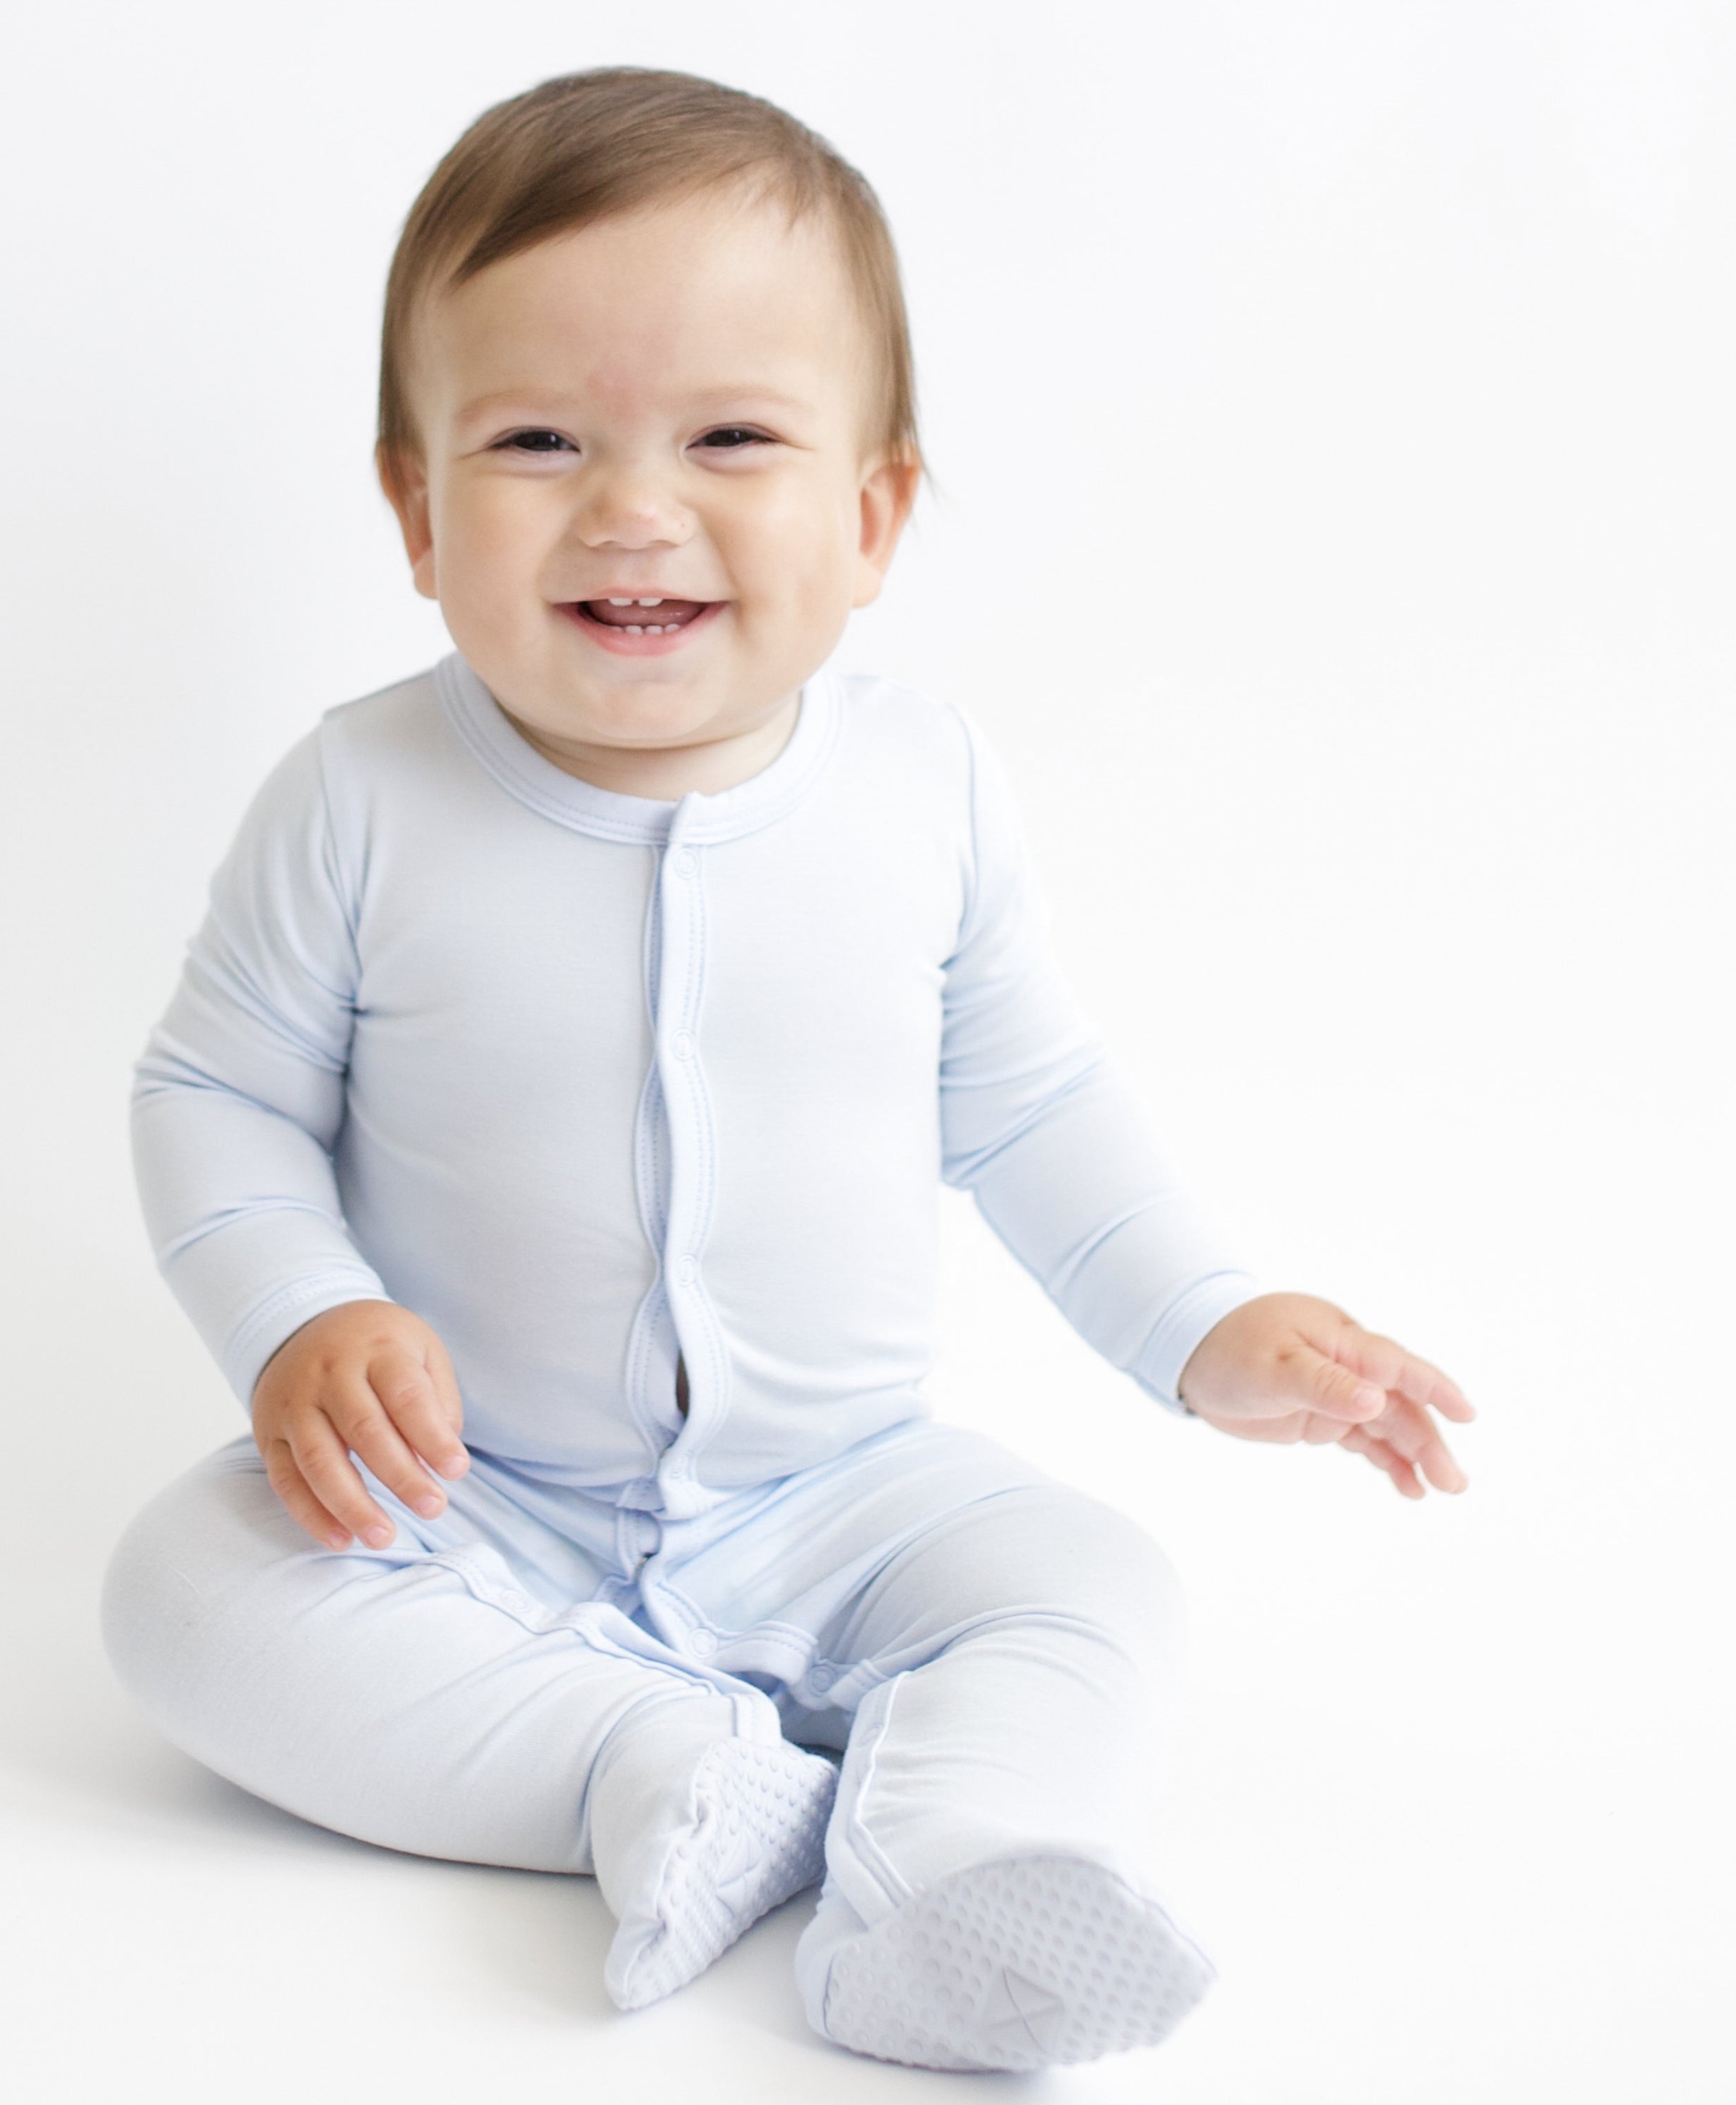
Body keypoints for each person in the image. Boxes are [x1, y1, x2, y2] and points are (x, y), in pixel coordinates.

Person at [101, 67, 1474, 2074]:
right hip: (473, 1499)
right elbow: (209, 1098)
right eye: (538, 439)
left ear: (874, 513)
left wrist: (1208, 1320)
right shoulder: (360, 800)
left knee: (1090, 1588)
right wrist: (302, 1314)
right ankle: (652, 1765)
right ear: (413, 508)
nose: (631, 507)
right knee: (181, 1602)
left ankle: (954, 1870)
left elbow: (1024, 1102)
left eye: (731, 438)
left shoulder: (922, 794)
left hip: (840, 1497)